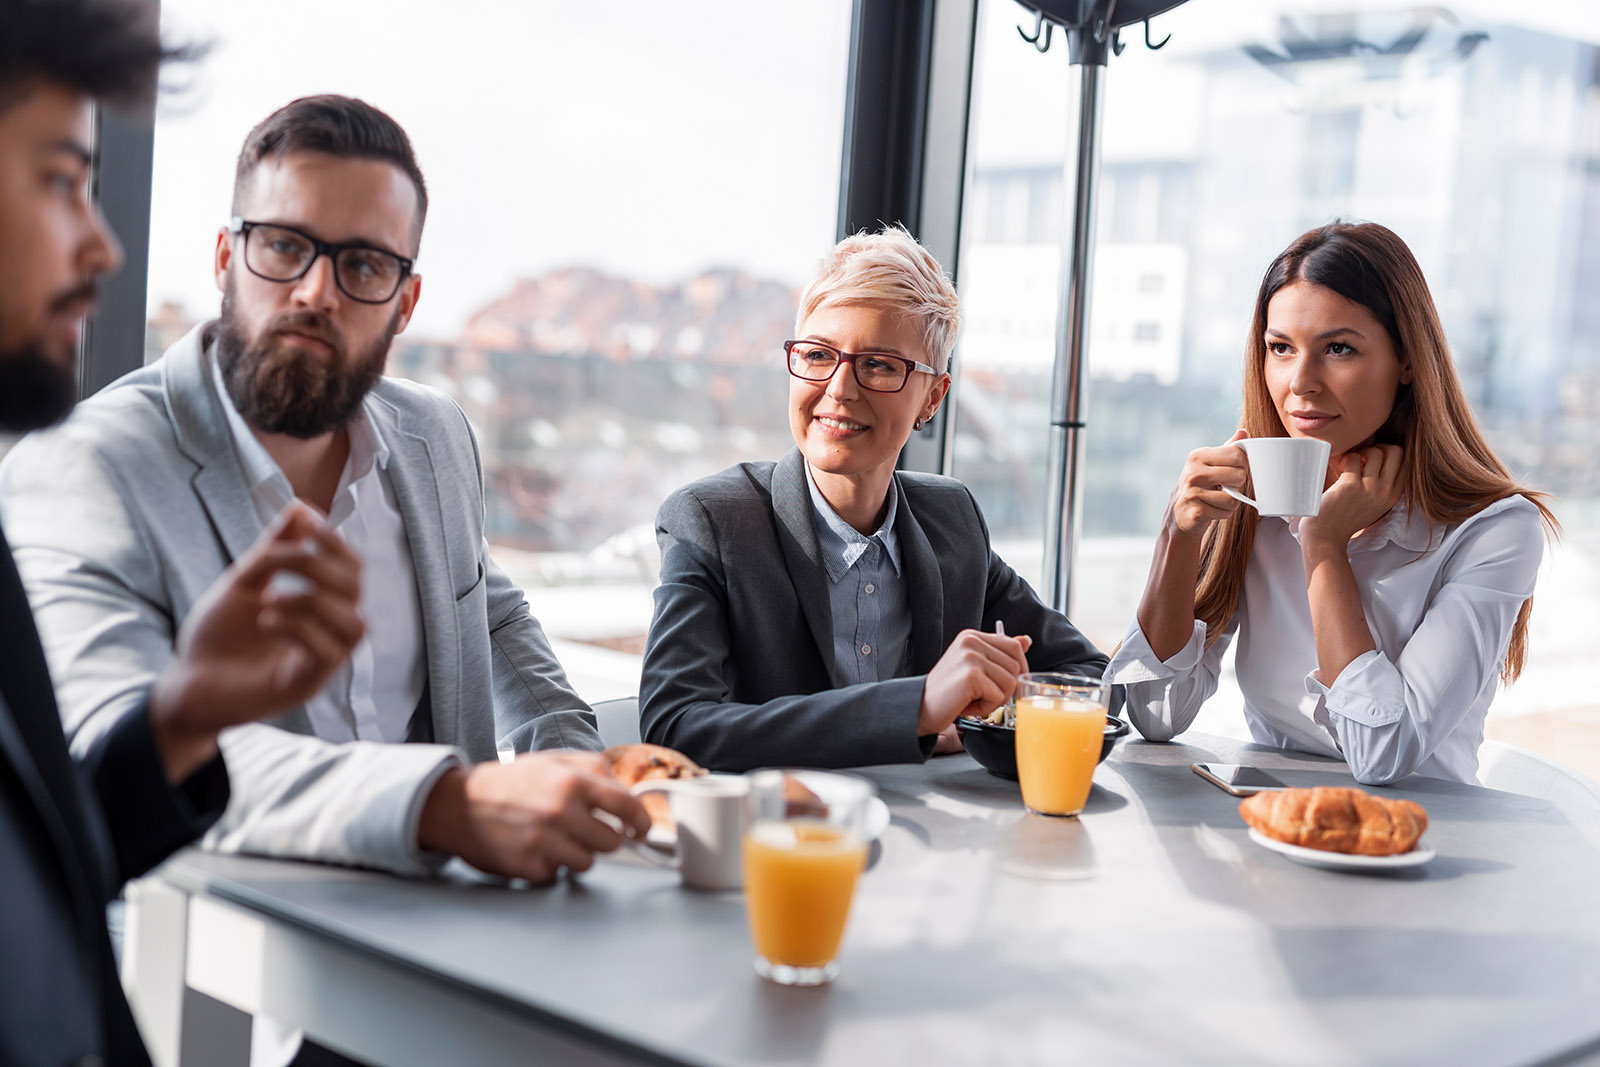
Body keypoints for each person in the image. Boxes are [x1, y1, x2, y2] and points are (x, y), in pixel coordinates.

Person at [0, 93, 651, 886]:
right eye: (284, 246)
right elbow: (113, 745)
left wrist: (574, 764)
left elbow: (488, 611)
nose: (316, 291)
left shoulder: (436, 434)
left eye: (364, 264)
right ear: (225, 258)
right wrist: (442, 803)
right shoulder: (83, 467)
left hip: (469, 915)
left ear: (404, 303)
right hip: (227, 939)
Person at [0, 3, 367, 1063]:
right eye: (60, 180)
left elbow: (41, 893)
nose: (101, 244)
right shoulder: (81, 464)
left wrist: (180, 716)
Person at [639, 227, 1110, 771]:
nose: (840, 388)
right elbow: (674, 728)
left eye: (879, 365)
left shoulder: (952, 520)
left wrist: (981, 720)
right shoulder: (713, 521)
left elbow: (1088, 677)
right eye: (818, 355)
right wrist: (915, 710)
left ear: (932, 398)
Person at [1106, 221, 1555, 785]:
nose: (1301, 382)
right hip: (1270, 821)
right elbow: (1156, 715)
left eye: (1338, 348)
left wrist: (1323, 546)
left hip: (1422, 829)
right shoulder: (1253, 494)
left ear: (1407, 360)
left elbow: (1382, 753)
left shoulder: (1496, 530)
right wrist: (1179, 534)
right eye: (1281, 348)